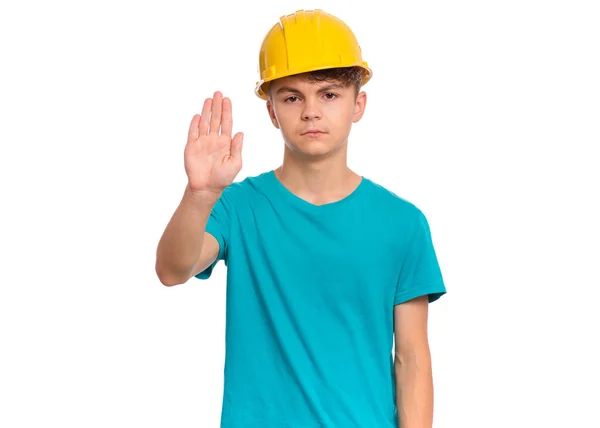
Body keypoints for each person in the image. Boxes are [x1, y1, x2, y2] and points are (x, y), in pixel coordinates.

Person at [156, 9, 447, 428]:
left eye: (329, 94)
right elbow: (171, 269)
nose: (311, 111)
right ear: (272, 111)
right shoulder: (237, 207)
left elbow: (412, 359)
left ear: (358, 104)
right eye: (292, 97)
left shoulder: (403, 224)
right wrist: (199, 195)